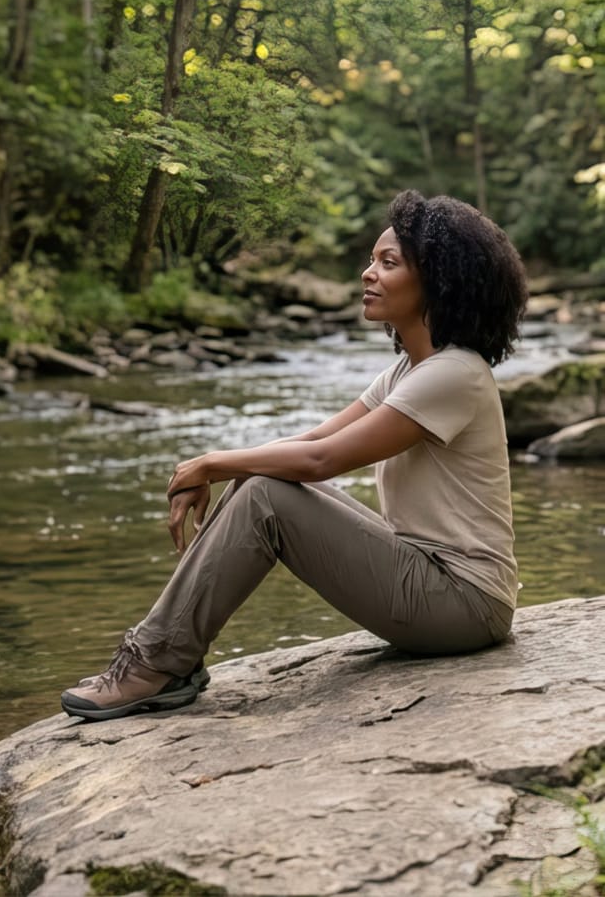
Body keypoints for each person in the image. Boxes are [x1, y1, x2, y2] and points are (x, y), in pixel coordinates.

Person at [62, 191, 527, 721]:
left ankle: (156, 663)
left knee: (265, 489)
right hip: (429, 579)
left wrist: (210, 464)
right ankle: (161, 657)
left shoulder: (455, 374)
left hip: (464, 603)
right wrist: (228, 466)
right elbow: (307, 442)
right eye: (371, 260)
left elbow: (320, 462)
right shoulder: (410, 371)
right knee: (259, 477)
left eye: (388, 263)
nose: (367, 273)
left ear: (439, 281)